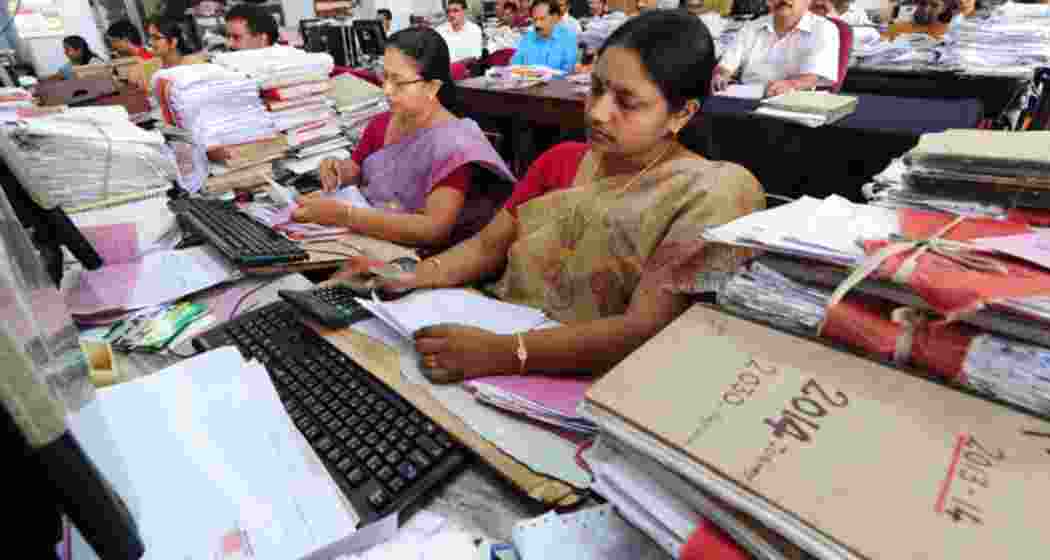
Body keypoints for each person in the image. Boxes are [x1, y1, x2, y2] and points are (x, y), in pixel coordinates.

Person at [328, 10, 764, 382]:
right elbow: (486, 246)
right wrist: (409, 274)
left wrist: (504, 353)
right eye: (596, 89)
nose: (597, 112)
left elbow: (647, 330)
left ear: (682, 113)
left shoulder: (714, 192)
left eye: (626, 102)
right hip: (492, 336)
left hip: (595, 383)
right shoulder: (563, 159)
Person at [292, 28, 516, 252]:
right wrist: (338, 169)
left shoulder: (455, 144)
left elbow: (434, 230)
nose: (387, 90)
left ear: (432, 87)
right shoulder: (381, 123)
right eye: (385, 76)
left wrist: (346, 215)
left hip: (425, 259)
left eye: (399, 82)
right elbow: (358, 169)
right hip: (370, 239)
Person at [711, 0, 839, 97]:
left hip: (792, 103)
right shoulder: (751, 27)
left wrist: (790, 85)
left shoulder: (824, 29)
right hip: (746, 99)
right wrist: (720, 76)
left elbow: (811, 78)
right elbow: (726, 66)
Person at [129, 18, 207, 90]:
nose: (150, 42)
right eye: (150, 37)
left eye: (156, 38)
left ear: (173, 42)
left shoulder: (194, 65)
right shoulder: (151, 67)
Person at [511, 0, 578, 73]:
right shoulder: (527, 37)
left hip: (557, 83)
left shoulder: (568, 39)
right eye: (535, 20)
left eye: (542, 19)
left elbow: (568, 72)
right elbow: (515, 65)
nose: (537, 24)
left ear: (555, 18)